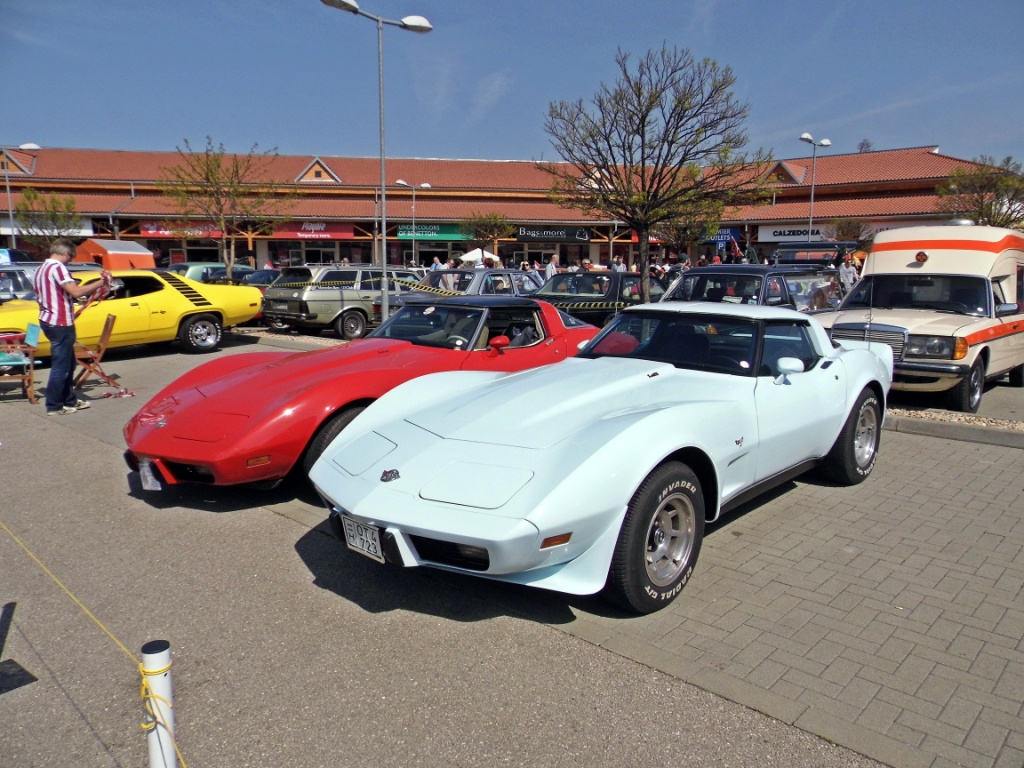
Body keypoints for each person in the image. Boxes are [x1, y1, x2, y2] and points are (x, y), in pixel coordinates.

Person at [33, 239, 111, 415]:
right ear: (65, 253)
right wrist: (102, 282)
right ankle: (54, 406)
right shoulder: (58, 268)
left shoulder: (40, 269)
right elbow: (76, 292)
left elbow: (64, 292)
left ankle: (70, 400)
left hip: (48, 319)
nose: (70, 261)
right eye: (70, 257)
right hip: (60, 322)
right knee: (61, 365)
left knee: (68, 364)